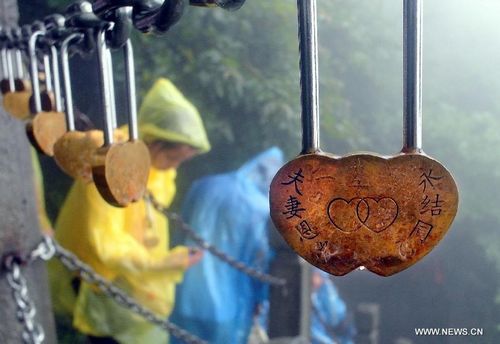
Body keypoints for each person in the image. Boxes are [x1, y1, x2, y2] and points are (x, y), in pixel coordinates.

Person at [50, 78, 210, 344]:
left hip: (127, 279)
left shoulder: (157, 170)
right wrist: (161, 264)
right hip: (97, 279)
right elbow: (105, 244)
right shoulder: (111, 162)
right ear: (155, 143)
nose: (173, 168)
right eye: (172, 158)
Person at [170, 147, 284, 344]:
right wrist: (261, 298)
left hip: (185, 292)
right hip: (229, 304)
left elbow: (179, 233)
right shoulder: (261, 208)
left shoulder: (204, 185)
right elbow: (261, 259)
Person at [311, 270, 356, 344]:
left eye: (319, 275)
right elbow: (312, 332)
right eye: (315, 274)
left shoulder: (326, 291)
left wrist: (327, 285)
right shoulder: (305, 297)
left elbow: (335, 318)